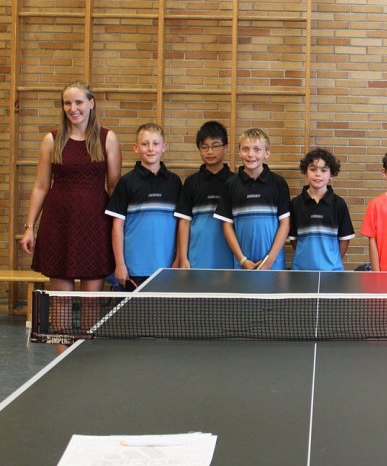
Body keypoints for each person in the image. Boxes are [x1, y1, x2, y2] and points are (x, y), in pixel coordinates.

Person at [20, 81, 121, 343]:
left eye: (78, 102)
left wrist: (119, 229)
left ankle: (86, 356)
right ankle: (62, 358)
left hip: (96, 225)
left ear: (91, 103)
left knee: (91, 300)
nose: (73, 108)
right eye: (67, 103)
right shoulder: (51, 140)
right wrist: (29, 227)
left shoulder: (107, 138)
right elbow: (41, 186)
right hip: (59, 225)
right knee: (61, 300)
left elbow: (114, 187)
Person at [106, 123, 181, 290]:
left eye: (155, 143)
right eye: (145, 144)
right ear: (136, 147)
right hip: (134, 269)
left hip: (166, 268)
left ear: (164, 147)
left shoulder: (174, 182)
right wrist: (120, 264)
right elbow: (117, 226)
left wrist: (178, 259)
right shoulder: (126, 182)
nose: (150, 148)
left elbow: (180, 226)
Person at [213, 128, 290, 270]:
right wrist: (242, 260)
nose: (250, 154)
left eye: (257, 149)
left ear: (267, 153)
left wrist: (269, 261)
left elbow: (285, 224)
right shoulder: (231, 184)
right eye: (245, 149)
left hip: (273, 265)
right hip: (242, 265)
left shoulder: (278, 183)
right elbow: (227, 225)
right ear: (239, 152)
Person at [173, 121, 235, 269]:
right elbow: (184, 222)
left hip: (230, 259)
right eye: (204, 147)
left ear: (225, 147)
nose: (210, 151)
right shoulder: (191, 182)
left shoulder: (235, 182)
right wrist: (183, 258)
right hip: (197, 258)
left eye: (215, 146)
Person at [289, 148, 355, 271]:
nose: (318, 174)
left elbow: (345, 239)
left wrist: (333, 261)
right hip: (301, 270)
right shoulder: (296, 204)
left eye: (324, 170)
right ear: (306, 172)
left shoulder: (339, 204)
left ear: (331, 174)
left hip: (332, 270)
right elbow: (294, 239)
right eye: (313, 169)